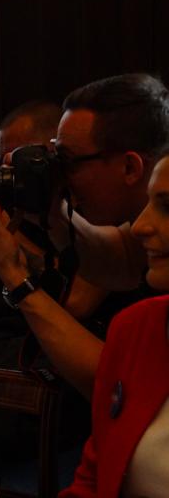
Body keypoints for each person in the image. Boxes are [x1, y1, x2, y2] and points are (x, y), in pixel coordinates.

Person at [0, 73, 169, 397]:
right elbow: (120, 259)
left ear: (130, 167)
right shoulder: (148, 222)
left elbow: (118, 385)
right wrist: (50, 211)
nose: (60, 174)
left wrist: (13, 274)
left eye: (67, 161)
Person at [60, 146, 169, 496]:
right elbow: (94, 477)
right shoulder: (134, 329)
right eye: (148, 203)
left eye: (167, 207)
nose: (140, 226)